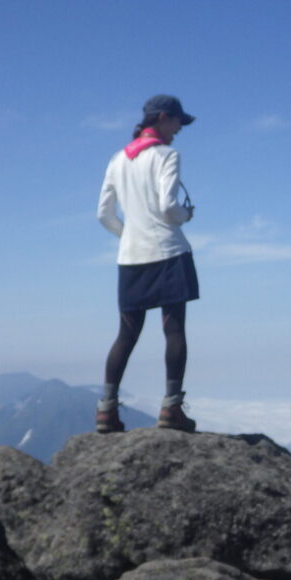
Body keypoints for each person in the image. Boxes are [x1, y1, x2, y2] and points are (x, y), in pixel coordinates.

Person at [95, 94, 200, 433]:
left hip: (131, 258)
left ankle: (106, 411)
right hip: (168, 252)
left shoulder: (117, 160)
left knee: (126, 335)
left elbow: (103, 214)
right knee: (174, 330)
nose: (179, 129)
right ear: (164, 118)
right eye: (178, 122)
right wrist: (186, 216)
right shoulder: (167, 156)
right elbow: (169, 207)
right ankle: (172, 409)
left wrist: (129, 235)